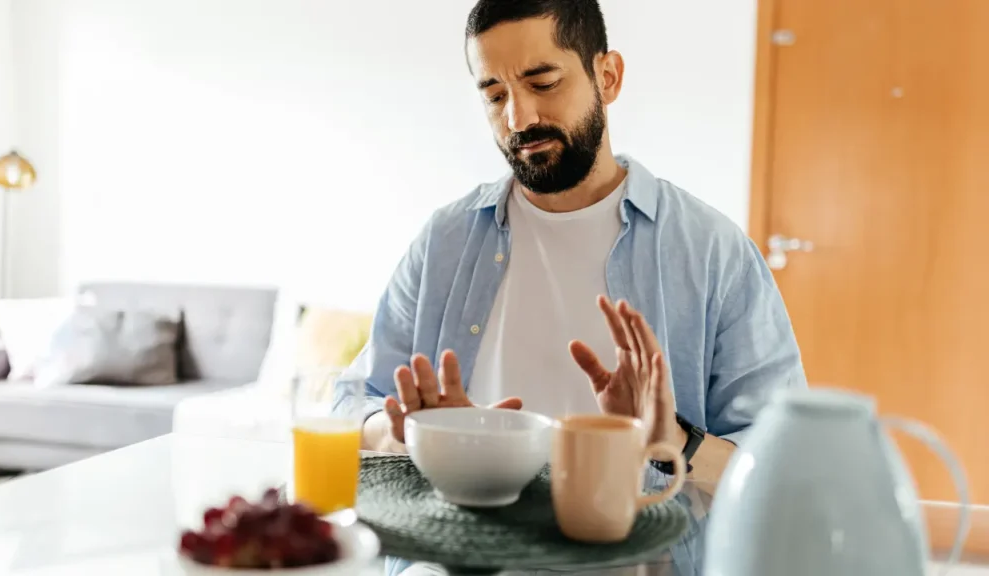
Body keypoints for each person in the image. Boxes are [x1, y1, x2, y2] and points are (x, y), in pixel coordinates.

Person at [333, 0, 806, 485]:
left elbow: (782, 469)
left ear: (608, 76)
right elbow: (352, 401)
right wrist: (413, 434)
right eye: (495, 96)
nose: (519, 117)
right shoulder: (445, 241)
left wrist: (673, 440)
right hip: (468, 554)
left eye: (543, 84)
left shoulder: (714, 252)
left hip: (640, 559)